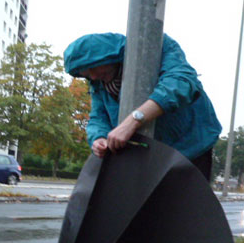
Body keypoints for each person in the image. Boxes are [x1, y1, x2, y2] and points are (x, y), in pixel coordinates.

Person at [63, 33, 222, 181]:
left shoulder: (157, 44)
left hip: (190, 146)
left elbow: (180, 83)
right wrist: (98, 138)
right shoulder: (98, 82)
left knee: (187, 206)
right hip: (146, 156)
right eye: (86, 73)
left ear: (108, 57)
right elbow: (98, 116)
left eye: (94, 68)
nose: (94, 76)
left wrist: (132, 121)